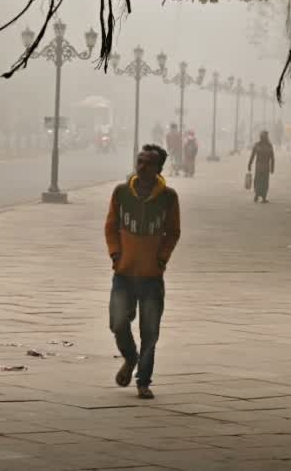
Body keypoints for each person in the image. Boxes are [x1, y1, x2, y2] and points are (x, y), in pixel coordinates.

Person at [105, 144, 180, 400]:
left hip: (151, 277)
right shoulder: (121, 193)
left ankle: (144, 381)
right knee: (117, 323)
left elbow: (173, 232)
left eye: (149, 163)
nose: (142, 166)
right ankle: (130, 357)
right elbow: (111, 226)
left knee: (150, 332)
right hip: (124, 273)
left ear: (158, 169)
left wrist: (161, 259)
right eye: (140, 161)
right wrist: (116, 254)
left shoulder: (169, 197)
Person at [248, 131, 276, 203]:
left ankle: (257, 194)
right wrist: (272, 168)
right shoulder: (269, 146)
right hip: (266, 167)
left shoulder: (257, 145)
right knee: (264, 182)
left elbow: (252, 156)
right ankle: (263, 198)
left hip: (258, 166)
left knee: (258, 180)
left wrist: (249, 165)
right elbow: (272, 158)